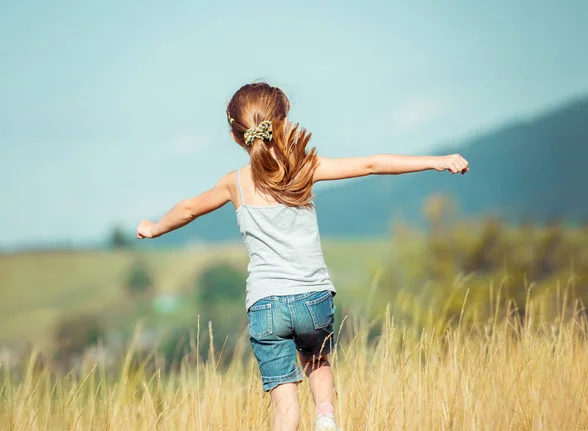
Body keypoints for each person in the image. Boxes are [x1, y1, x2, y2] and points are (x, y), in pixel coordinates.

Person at [136, 82, 469, 431]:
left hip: (265, 305)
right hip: (313, 298)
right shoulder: (304, 166)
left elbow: (189, 209)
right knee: (317, 362)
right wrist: (438, 161)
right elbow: (372, 164)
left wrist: (155, 227)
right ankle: (325, 419)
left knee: (284, 407)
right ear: (282, 124)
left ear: (236, 137)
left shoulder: (234, 183)